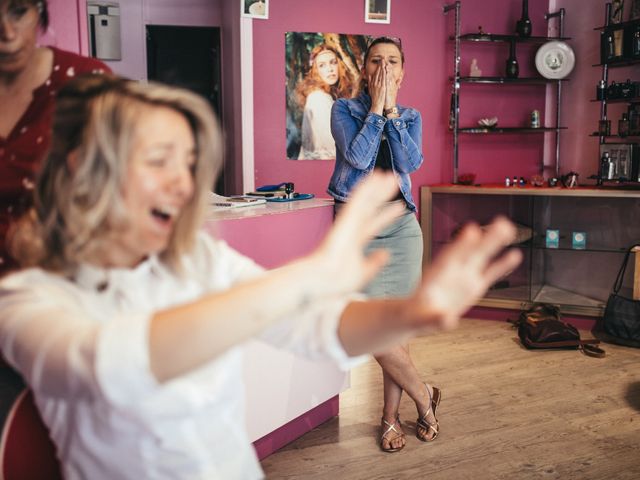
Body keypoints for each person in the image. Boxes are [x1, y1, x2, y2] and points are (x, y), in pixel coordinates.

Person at [0, 74, 521, 479]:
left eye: (189, 164)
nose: (183, 184)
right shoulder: (27, 297)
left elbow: (315, 325)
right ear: (84, 169)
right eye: (159, 161)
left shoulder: (199, 260)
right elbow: (121, 363)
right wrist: (309, 276)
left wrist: (412, 312)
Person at [328, 36, 434, 452]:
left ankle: (391, 418)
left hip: (402, 228)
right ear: (364, 69)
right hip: (358, 230)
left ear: (403, 70)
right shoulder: (344, 110)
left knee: (398, 331)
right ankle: (425, 397)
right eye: (376, 61)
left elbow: (409, 163)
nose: (385, 68)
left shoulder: (411, 116)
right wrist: (376, 109)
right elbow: (357, 158)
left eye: (392, 61)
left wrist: (392, 113)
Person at [0, 0, 110, 276]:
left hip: (60, 283)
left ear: (39, 10)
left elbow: (118, 192)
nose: (8, 33)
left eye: (18, 11)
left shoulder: (86, 84)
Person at [296, 43, 353, 159]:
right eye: (322, 65)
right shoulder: (319, 99)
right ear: (315, 71)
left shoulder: (329, 96)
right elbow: (334, 147)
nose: (330, 69)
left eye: (333, 62)